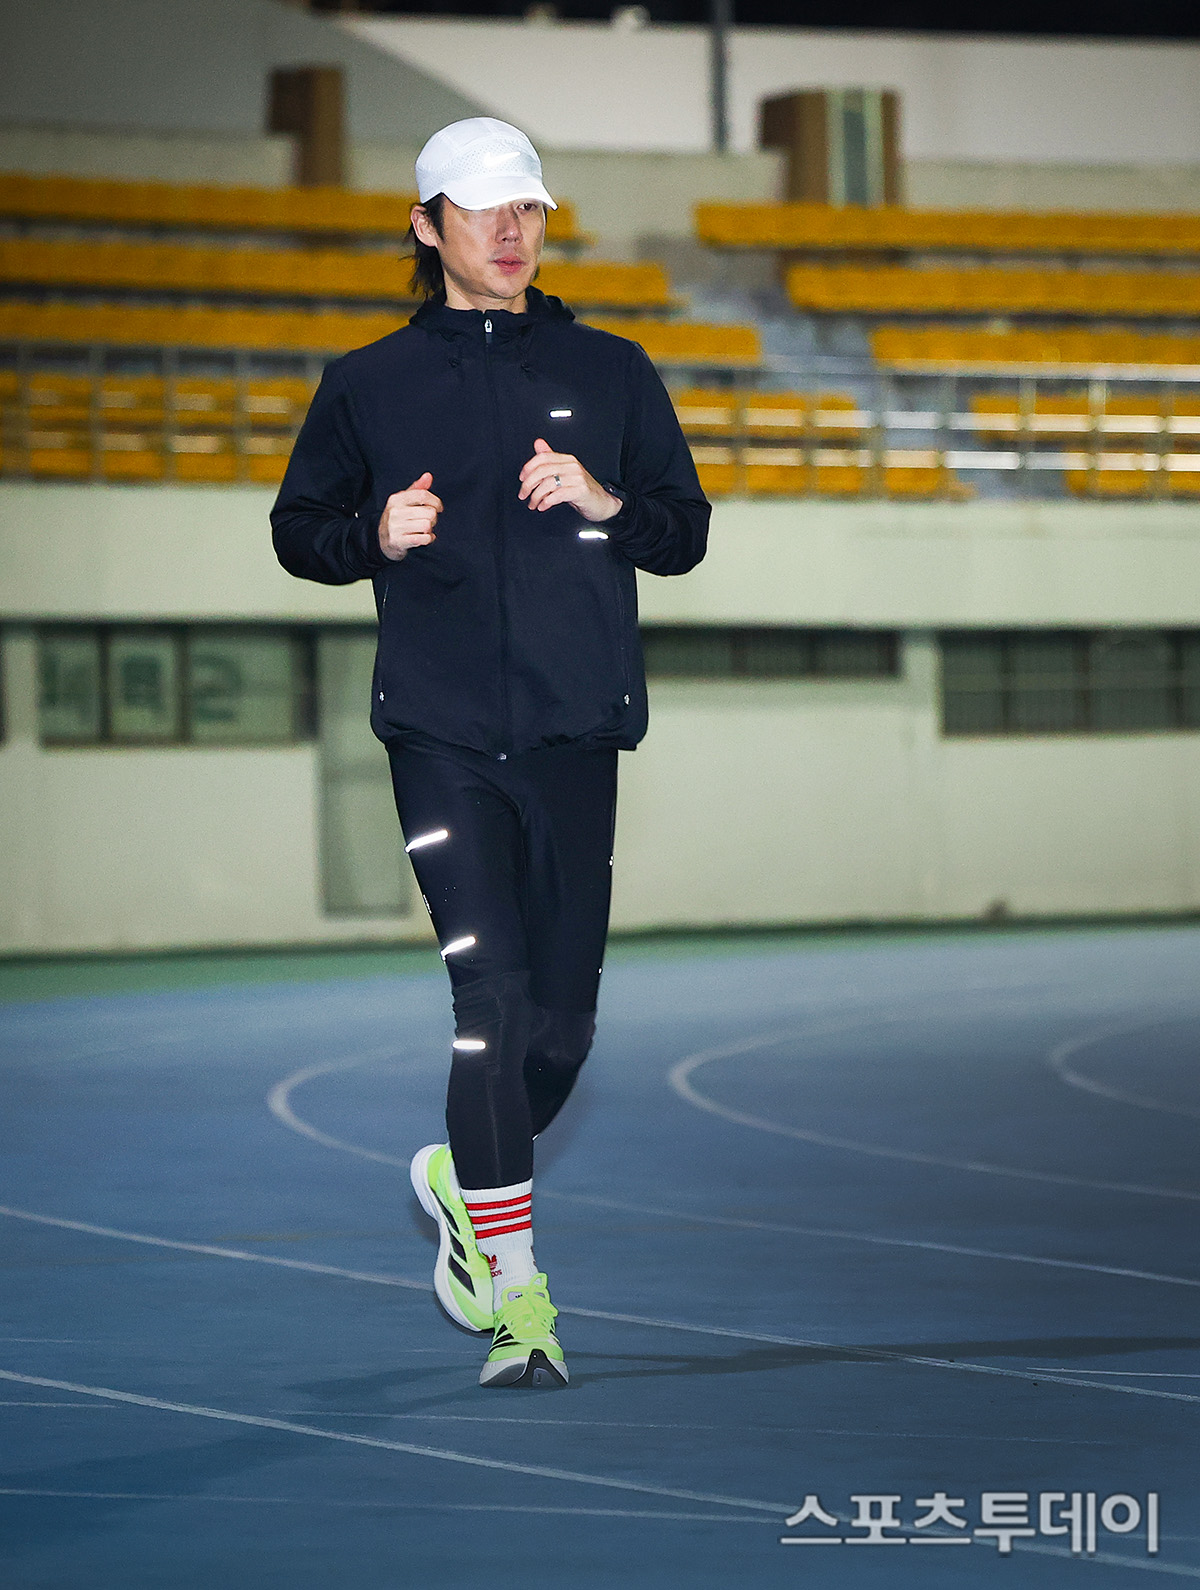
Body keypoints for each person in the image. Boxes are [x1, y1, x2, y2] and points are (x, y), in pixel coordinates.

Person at [271, 117, 708, 1388]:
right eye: (482, 209)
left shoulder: (613, 370)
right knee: (493, 1006)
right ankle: (518, 1300)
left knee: (560, 1035)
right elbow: (298, 531)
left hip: (577, 734)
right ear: (427, 226)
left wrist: (606, 502)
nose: (511, 231)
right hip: (440, 736)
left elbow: (683, 532)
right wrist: (373, 534)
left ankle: (464, 1187)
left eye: (527, 208)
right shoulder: (368, 383)